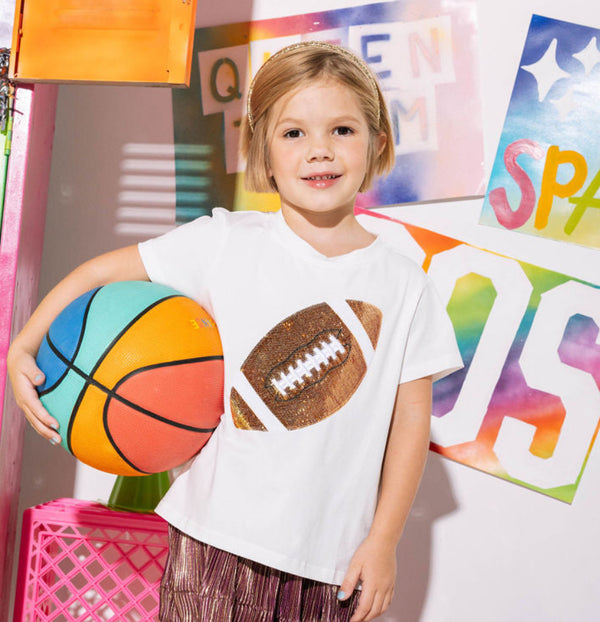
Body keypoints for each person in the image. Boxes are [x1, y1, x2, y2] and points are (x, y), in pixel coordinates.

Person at [7, 41, 463, 622]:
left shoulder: (404, 284)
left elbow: (409, 425)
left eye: (342, 130)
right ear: (264, 154)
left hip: (332, 563)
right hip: (212, 541)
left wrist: (384, 540)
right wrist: (24, 344)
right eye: (294, 133)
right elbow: (102, 272)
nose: (319, 150)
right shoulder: (225, 241)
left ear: (377, 146)